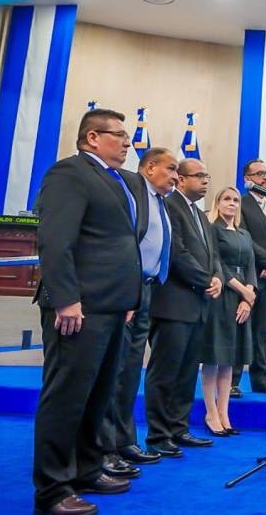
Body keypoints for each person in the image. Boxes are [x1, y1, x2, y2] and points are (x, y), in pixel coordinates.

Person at [32, 109, 140, 515]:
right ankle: (52, 491)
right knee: (67, 397)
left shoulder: (114, 180)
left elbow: (115, 243)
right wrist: (65, 298)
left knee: (98, 395)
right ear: (92, 138)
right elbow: (55, 240)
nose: (127, 142)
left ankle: (88, 467)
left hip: (112, 307)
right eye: (120, 135)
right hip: (79, 307)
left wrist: (127, 300)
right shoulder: (69, 173)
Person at [99, 147, 178, 479]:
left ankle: (124, 440)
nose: (176, 176)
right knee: (113, 373)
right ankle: (103, 449)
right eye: (171, 169)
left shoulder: (161, 202)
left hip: (146, 290)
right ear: (148, 168)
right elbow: (123, 242)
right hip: (125, 289)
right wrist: (127, 290)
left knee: (131, 371)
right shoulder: (131, 189)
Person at [144, 158, 223, 458]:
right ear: (180, 178)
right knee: (166, 371)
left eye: (207, 175)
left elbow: (212, 253)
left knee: (188, 371)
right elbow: (177, 252)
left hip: (199, 303)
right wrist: (206, 280)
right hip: (173, 303)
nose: (205, 181)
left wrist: (217, 278)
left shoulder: (202, 216)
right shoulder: (169, 206)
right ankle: (158, 434)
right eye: (199, 176)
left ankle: (178, 427)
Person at [199, 186, 254, 436]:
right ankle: (210, 412)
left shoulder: (243, 233)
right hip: (222, 294)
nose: (231, 203)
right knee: (214, 356)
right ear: (217, 203)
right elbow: (217, 263)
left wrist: (248, 298)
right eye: (226, 199)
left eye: (235, 200)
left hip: (241, 298)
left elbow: (251, 265)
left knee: (229, 359)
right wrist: (243, 290)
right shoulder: (213, 230)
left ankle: (225, 413)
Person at [232, 159, 266, 396]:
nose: (265, 177)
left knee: (261, 332)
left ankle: (260, 379)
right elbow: (243, 237)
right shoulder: (241, 205)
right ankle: (232, 380)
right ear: (247, 179)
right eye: (260, 174)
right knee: (240, 329)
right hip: (247, 277)